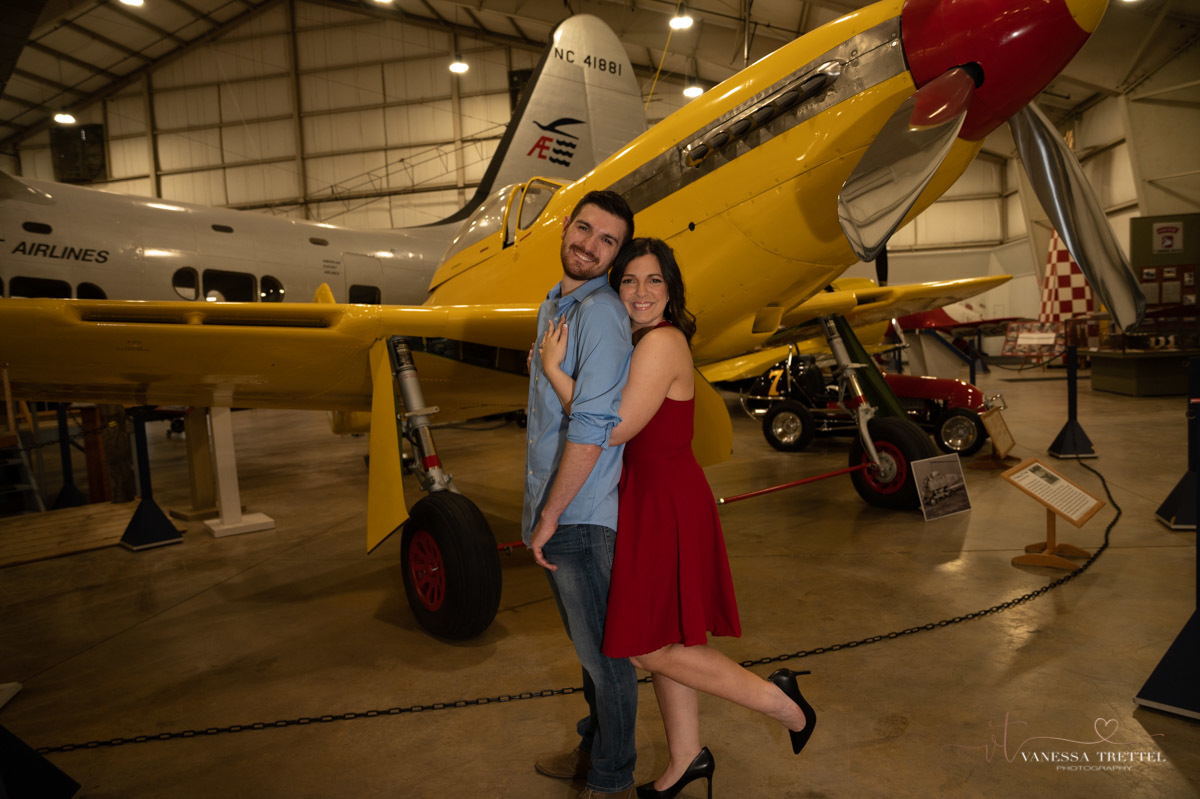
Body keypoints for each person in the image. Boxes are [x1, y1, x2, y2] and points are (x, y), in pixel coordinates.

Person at [539, 238, 816, 799]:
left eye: (654, 280)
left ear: (671, 290)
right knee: (669, 636)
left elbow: (613, 429)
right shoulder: (637, 340)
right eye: (629, 280)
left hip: (666, 500)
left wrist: (552, 370)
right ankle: (687, 759)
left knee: (646, 647)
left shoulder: (662, 342)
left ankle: (782, 702)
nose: (640, 292)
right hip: (645, 496)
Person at [525, 190, 640, 798]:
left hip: (581, 512)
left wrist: (551, 514)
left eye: (607, 241)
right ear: (566, 226)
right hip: (559, 504)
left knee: (604, 659)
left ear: (615, 256)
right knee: (587, 651)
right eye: (586, 229)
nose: (590, 246)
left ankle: (612, 778)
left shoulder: (600, 315)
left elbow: (593, 427)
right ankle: (593, 750)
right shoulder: (556, 305)